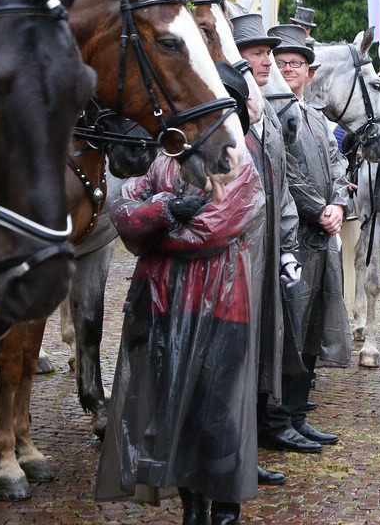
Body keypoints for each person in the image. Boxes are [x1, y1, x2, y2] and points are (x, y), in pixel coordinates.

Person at [96, 63, 263, 525]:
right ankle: (193, 504)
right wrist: (169, 208)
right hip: (163, 305)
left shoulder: (240, 163)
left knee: (217, 415)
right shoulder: (165, 159)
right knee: (176, 410)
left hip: (224, 309)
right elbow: (122, 211)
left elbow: (210, 233)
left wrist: (156, 226)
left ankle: (225, 506)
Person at [258, 23, 351, 454]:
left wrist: (339, 205)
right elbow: (285, 176)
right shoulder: (270, 117)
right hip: (292, 240)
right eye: (281, 63)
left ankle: (297, 414)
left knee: (312, 326)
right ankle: (277, 419)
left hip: (321, 241)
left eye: (295, 63)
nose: (288, 69)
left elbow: (337, 168)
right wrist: (320, 210)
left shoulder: (317, 119)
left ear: (310, 73)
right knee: (288, 330)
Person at [231, 13, 303, 487]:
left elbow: (280, 183)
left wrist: (288, 243)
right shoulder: (224, 110)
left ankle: (252, 440)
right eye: (255, 51)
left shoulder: (268, 113)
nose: (266, 60)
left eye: (266, 52)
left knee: (262, 350)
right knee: (233, 356)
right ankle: (231, 455)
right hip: (232, 256)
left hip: (267, 250)